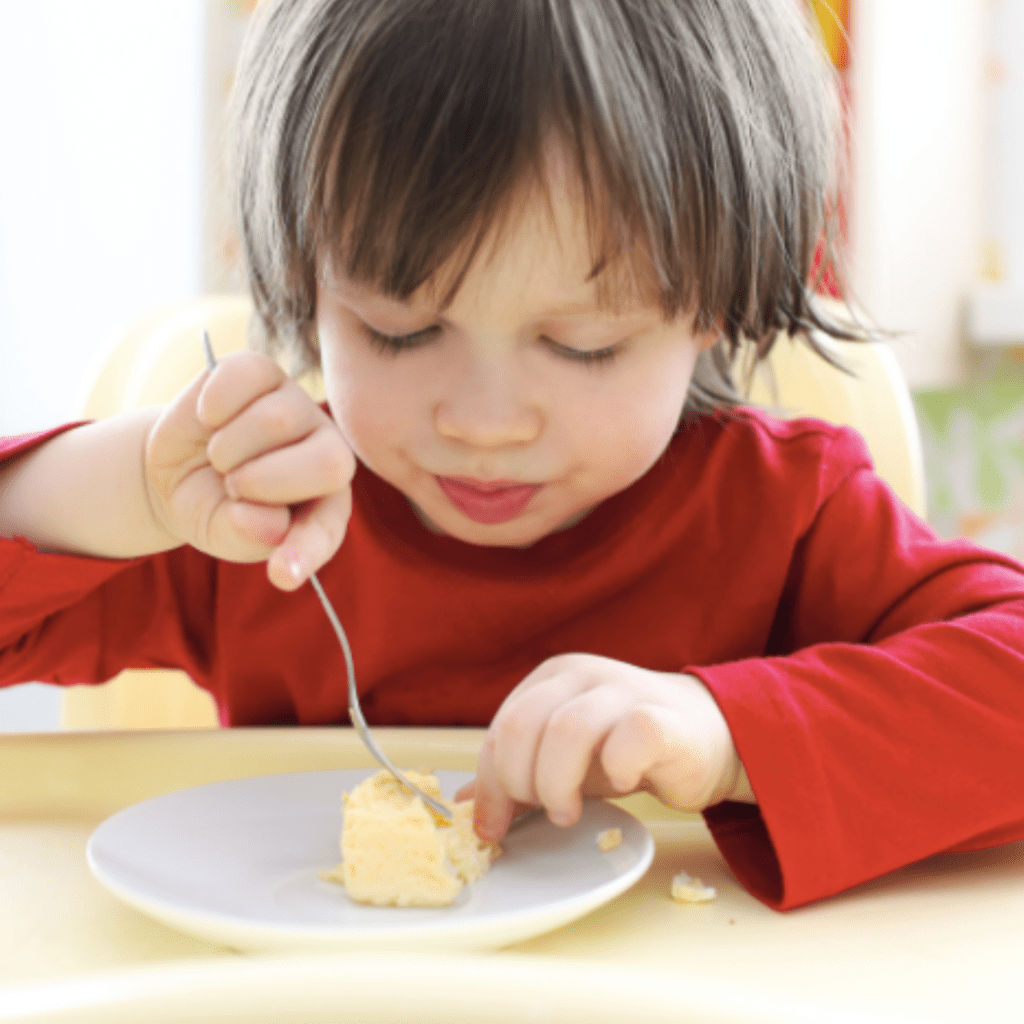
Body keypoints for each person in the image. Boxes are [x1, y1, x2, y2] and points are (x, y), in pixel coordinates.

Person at [2, 0, 1023, 912]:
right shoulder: (264, 515)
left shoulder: (782, 512)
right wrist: (123, 489)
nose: (485, 425)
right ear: (309, 281)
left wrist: (722, 734)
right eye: (398, 331)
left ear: (712, 299)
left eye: (582, 345)